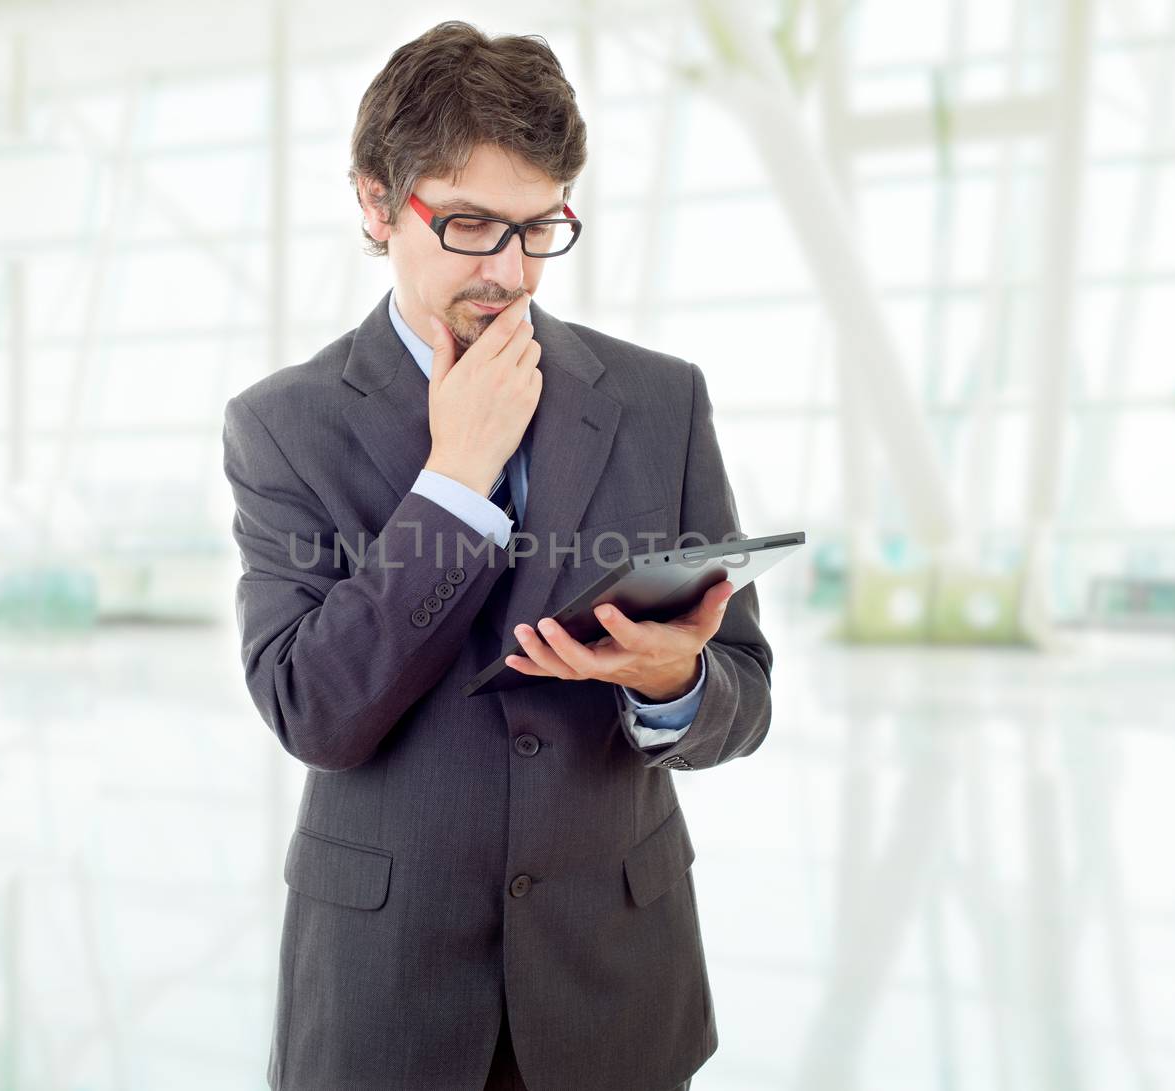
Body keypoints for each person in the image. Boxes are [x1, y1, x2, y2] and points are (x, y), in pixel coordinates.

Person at [221, 20, 773, 1091]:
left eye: (539, 227)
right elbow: (312, 711)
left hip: (616, 984)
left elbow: (745, 695)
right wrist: (452, 484)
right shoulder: (284, 426)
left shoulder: (661, 400)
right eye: (470, 225)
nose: (509, 271)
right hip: (388, 994)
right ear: (376, 205)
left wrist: (675, 682)